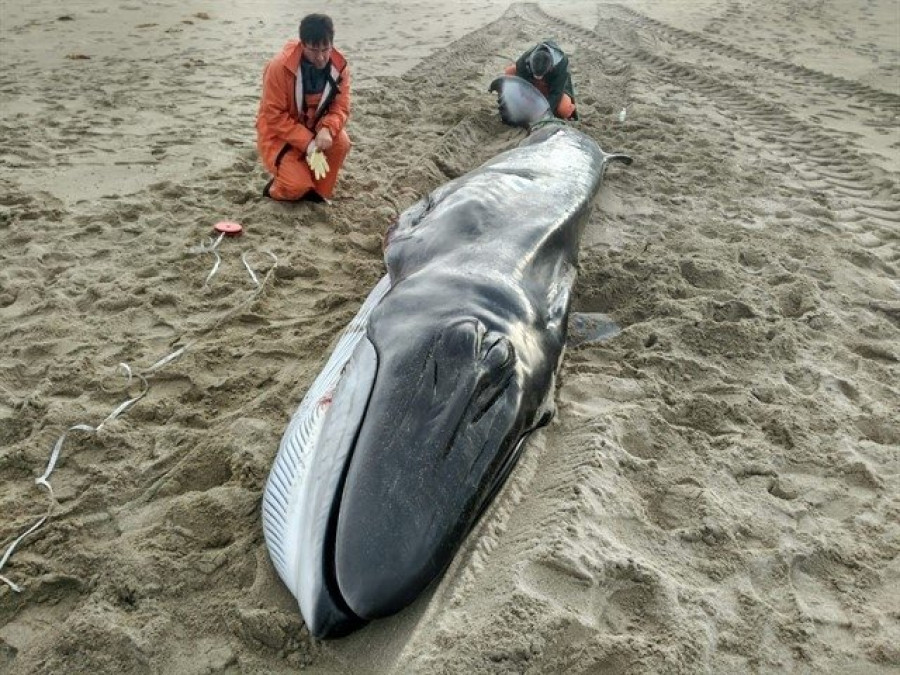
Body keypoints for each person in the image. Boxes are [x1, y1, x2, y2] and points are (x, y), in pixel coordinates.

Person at [256, 14, 351, 202]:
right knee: (297, 188)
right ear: (302, 44)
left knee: (340, 141)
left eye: (326, 49)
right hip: (280, 135)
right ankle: (275, 187)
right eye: (314, 50)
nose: (321, 57)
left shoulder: (340, 67)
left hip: (314, 127)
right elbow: (274, 116)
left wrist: (327, 128)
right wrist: (308, 144)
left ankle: (314, 187)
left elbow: (341, 106)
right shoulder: (279, 67)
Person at [504, 40, 578, 121]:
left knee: (564, 109)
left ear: (550, 68)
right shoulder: (526, 58)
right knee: (510, 71)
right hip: (532, 83)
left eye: (540, 75)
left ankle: (567, 110)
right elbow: (521, 81)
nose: (538, 77)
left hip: (551, 87)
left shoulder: (561, 63)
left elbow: (556, 93)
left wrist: (543, 113)